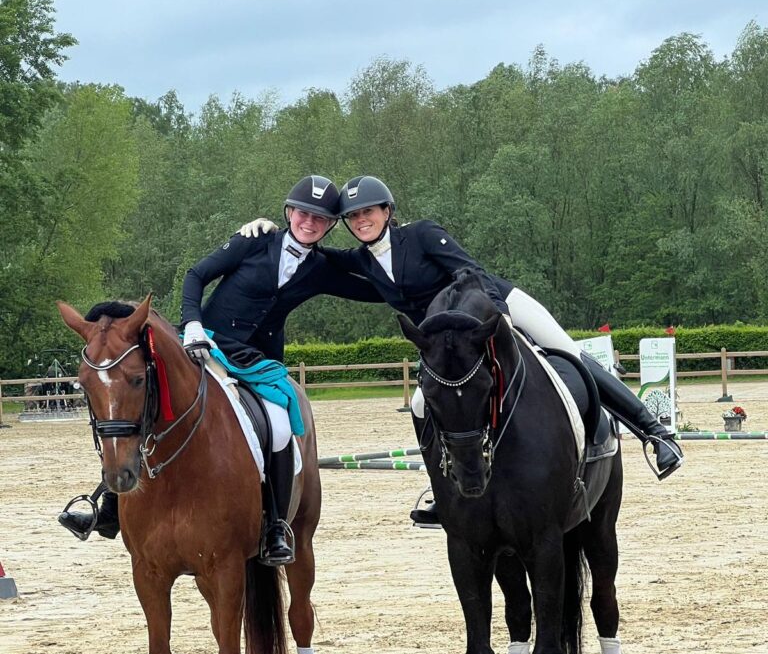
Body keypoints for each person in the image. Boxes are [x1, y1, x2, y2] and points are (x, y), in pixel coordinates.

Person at [240, 175, 683, 526]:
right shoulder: (362, 260)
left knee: (567, 352)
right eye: (353, 216)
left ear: (387, 211)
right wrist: (268, 233)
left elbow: (470, 272)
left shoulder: (422, 234)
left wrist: (497, 318)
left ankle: (655, 434)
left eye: (368, 212)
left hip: (496, 306)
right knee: (421, 403)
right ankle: (444, 490)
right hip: (448, 342)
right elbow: (311, 250)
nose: (361, 221)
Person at [58, 175, 383, 563]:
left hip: (255, 360)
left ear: (330, 225)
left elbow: (375, 289)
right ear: (289, 212)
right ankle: (110, 505)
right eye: (302, 213)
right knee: (140, 401)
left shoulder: (320, 267)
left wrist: (389, 252)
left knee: (280, 424)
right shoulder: (254, 240)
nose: (309, 222)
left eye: (319, 218)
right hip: (205, 342)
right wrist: (192, 323)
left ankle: (276, 525)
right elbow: (196, 275)